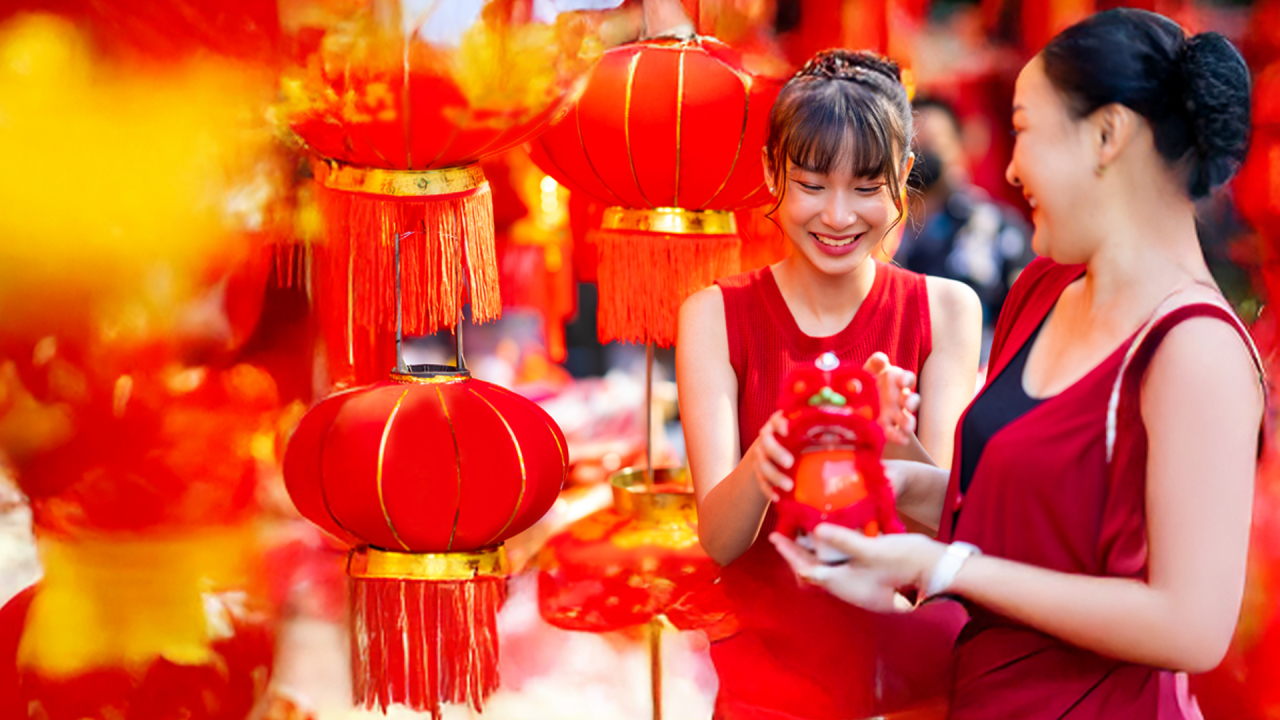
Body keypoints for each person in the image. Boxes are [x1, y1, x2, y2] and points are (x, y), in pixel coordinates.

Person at [769, 10, 1265, 719]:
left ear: (1107, 136)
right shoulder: (1042, 288)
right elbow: (1009, 523)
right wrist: (889, 477)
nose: (1008, 167)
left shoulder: (1195, 348)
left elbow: (1191, 628)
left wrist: (946, 567)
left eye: (1025, 130)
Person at [677, 49, 982, 719]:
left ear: (904, 175)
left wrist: (891, 438)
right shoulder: (714, 316)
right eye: (812, 185)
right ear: (771, 173)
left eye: (867, 188)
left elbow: (948, 530)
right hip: (766, 690)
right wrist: (772, 450)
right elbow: (720, 539)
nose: (839, 216)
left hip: (904, 688)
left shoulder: (946, 310)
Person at [896, 96, 1034, 336]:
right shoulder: (885, 229)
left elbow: (1029, 314)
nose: (922, 156)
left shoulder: (995, 226)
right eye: (913, 146)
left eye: (933, 144)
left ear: (960, 147)